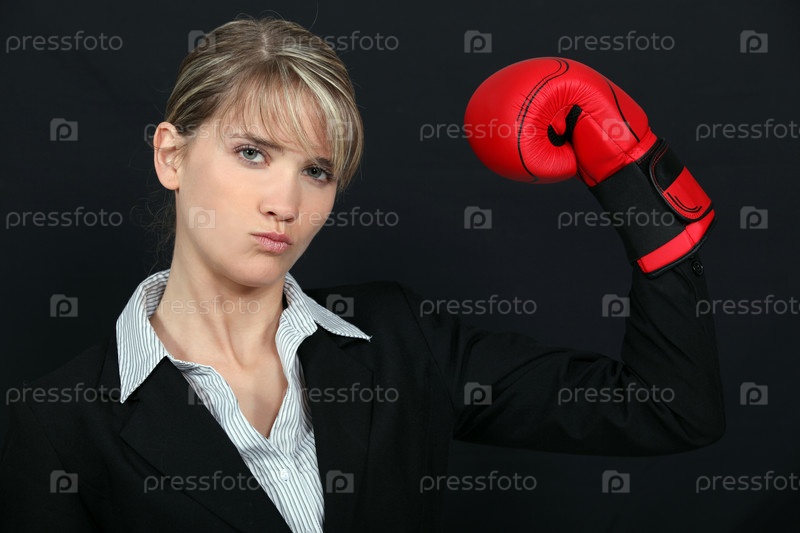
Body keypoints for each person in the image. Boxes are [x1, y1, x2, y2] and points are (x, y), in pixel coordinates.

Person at [0, 16, 724, 533]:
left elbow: (668, 410)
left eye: (316, 170)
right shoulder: (58, 423)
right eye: (252, 152)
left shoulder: (400, 338)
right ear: (172, 157)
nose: (285, 202)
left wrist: (644, 194)